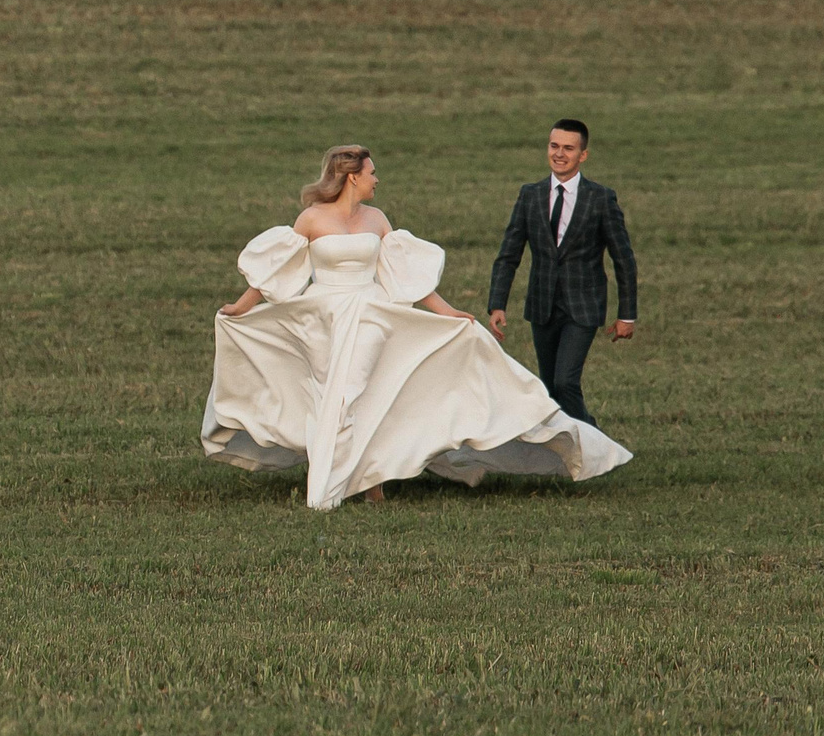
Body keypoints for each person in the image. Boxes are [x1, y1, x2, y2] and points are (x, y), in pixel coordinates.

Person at [202, 144, 631, 511]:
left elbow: (405, 276)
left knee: (358, 390)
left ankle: (360, 482)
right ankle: (359, 479)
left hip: (371, 313)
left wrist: (450, 314)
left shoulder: (377, 219)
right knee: (332, 396)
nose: (377, 179)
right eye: (372, 173)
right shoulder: (311, 218)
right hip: (323, 318)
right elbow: (276, 270)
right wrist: (239, 308)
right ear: (351, 176)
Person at [487, 119, 637, 427]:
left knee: (566, 381)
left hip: (583, 308)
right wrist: (497, 303)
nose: (559, 154)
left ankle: (593, 438)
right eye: (554, 146)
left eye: (568, 148)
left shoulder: (601, 199)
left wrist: (627, 315)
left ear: (583, 155)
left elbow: (623, 258)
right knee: (550, 388)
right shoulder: (530, 195)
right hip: (542, 307)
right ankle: (568, 453)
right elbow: (509, 254)